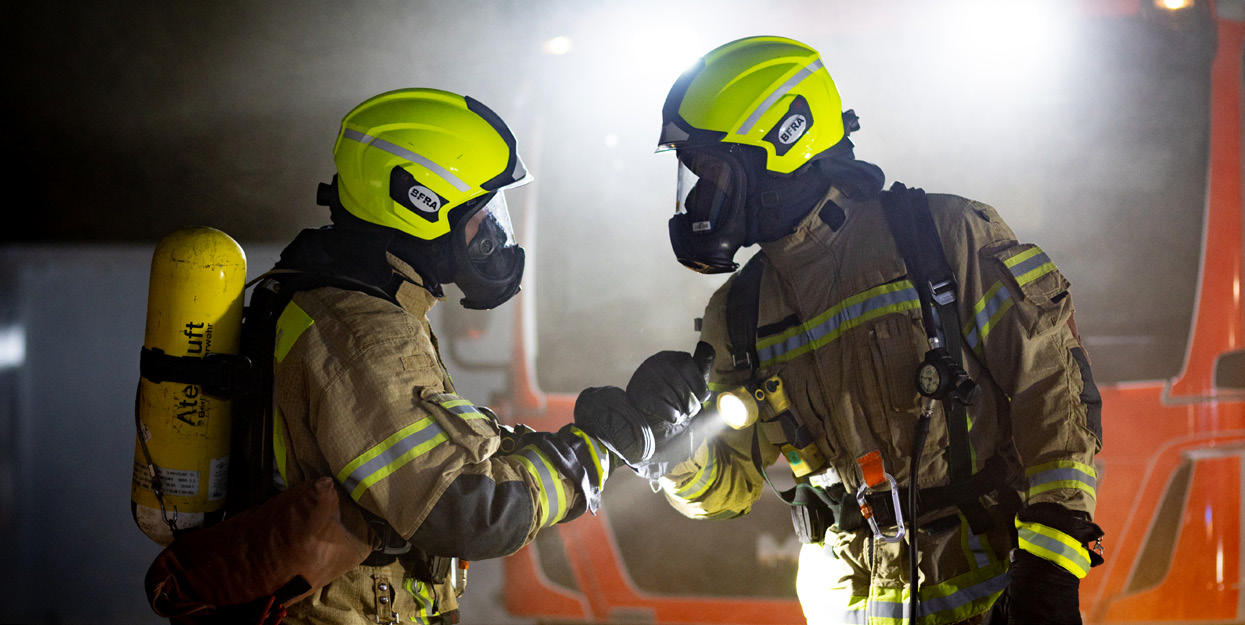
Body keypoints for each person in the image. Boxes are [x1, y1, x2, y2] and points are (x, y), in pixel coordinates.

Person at [577, 36, 1104, 625]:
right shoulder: (740, 311)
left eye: (716, 175)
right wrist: (671, 449)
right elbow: (730, 488)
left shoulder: (944, 238)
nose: (701, 199)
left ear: (783, 143)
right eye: (696, 177)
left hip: (995, 596)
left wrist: (1052, 566)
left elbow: (1053, 392)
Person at [252, 88, 648, 625]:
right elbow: (471, 510)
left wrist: (545, 445)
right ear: (420, 203)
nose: (492, 234)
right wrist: (590, 456)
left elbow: (440, 450)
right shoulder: (364, 334)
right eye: (481, 215)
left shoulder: (350, 308)